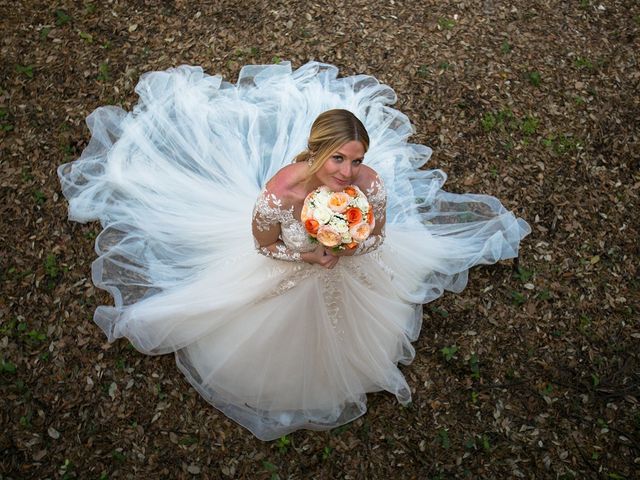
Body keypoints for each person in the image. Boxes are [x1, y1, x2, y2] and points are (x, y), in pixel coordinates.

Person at [58, 61, 530, 441]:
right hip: (291, 268)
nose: (348, 172)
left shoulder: (369, 184)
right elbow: (262, 245)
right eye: (338, 159)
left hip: (347, 267)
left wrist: (351, 244)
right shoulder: (281, 193)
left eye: (357, 159)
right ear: (316, 153)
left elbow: (380, 234)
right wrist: (307, 256)